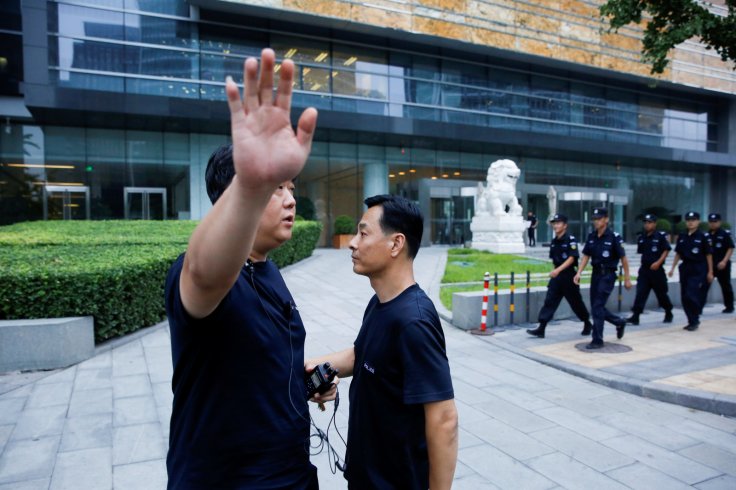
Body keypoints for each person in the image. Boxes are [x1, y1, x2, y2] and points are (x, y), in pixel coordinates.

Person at [164, 48, 333, 489]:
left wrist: (301, 382)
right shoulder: (205, 276)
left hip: (291, 472)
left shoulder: (270, 270)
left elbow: (255, 362)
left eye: (290, 187)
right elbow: (204, 272)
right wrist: (252, 184)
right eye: (277, 189)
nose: (291, 199)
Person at [307, 195, 458, 490]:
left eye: (363, 233)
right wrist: (310, 368)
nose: (352, 242)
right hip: (366, 475)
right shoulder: (381, 304)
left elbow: (444, 421)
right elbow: (362, 354)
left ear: (396, 244)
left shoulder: (414, 321)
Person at [526, 213, 593, 338]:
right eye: (554, 223)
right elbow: (555, 260)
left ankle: (587, 322)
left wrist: (558, 270)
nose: (555, 225)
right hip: (557, 277)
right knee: (549, 301)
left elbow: (572, 258)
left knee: (576, 303)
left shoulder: (570, 239)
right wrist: (555, 271)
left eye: (558, 223)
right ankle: (541, 328)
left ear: (565, 225)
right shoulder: (554, 241)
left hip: (568, 276)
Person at [574, 208, 632, 349]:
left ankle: (597, 339)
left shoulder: (614, 237)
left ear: (606, 219)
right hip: (596, 274)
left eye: (599, 219)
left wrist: (627, 278)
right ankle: (619, 322)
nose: (596, 221)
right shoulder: (592, 236)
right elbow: (586, 256)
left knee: (597, 306)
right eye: (594, 219)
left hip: (608, 275)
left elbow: (623, 258)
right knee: (596, 307)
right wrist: (579, 272)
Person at [669, 211, 714, 331]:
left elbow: (709, 255)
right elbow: (678, 253)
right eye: (688, 220)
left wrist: (710, 271)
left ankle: (696, 316)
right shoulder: (682, 236)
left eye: (693, 220)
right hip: (685, 267)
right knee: (684, 296)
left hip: (698, 267)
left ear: (698, 221)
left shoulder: (703, 237)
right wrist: (672, 268)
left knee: (691, 293)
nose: (690, 222)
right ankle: (692, 320)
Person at [626, 214, 674, 325]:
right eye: (645, 222)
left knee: (661, 294)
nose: (647, 225)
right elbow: (642, 252)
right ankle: (636, 316)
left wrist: (658, 262)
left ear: (654, 224)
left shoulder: (660, 236)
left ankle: (668, 311)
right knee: (640, 293)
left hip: (657, 271)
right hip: (645, 271)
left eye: (649, 222)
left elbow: (666, 250)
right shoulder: (642, 237)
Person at [704, 213, 734, 313]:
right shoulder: (706, 235)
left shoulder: (724, 234)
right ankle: (699, 306)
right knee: (704, 285)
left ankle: (729, 306)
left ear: (719, 222)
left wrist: (724, 261)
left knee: (725, 286)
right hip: (710, 265)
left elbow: (730, 248)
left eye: (715, 221)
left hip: (722, 264)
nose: (713, 224)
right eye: (711, 222)